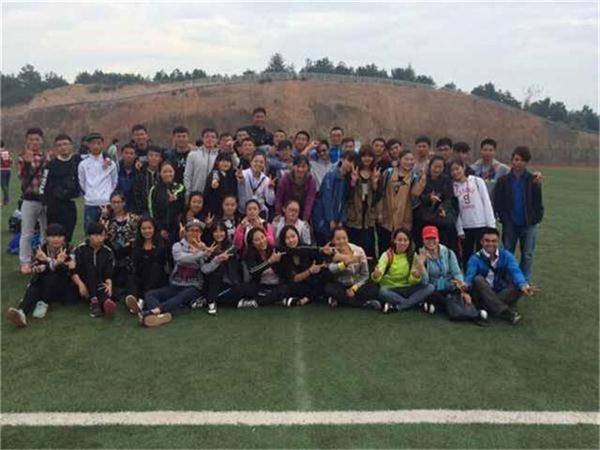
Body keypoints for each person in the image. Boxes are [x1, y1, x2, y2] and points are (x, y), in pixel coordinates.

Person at [128, 218, 212, 327]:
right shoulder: (178, 246)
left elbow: (205, 269)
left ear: (201, 233)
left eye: (197, 231)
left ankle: (150, 313)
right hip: (175, 284)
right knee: (150, 294)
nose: (194, 233)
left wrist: (216, 259)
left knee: (179, 298)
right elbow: (180, 259)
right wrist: (201, 253)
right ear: (186, 232)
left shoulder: (204, 248)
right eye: (191, 230)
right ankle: (163, 315)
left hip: (193, 286)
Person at [6, 224, 79, 328]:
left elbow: (71, 268)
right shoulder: (41, 249)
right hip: (44, 283)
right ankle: (22, 312)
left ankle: (42, 302)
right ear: (47, 237)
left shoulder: (70, 249)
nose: (56, 239)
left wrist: (48, 261)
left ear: (64, 238)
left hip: (64, 286)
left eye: (59, 236)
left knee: (52, 273)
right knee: (40, 279)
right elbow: (36, 268)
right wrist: (51, 263)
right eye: (52, 236)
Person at [464, 227, 536, 324]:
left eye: (494, 241)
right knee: (478, 279)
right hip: (482, 293)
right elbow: (469, 276)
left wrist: (523, 285)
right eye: (487, 241)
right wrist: (465, 285)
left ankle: (487, 307)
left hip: (501, 292)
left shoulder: (506, 255)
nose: (490, 244)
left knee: (517, 285)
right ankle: (506, 313)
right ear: (481, 242)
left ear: (498, 242)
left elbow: (516, 271)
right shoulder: (474, 259)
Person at [493, 146, 544, 281]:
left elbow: (538, 201)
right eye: (516, 159)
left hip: (528, 223)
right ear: (512, 160)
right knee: (507, 252)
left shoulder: (533, 180)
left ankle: (524, 281)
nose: (518, 163)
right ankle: (506, 280)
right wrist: (503, 217)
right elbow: (498, 201)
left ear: (526, 162)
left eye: (522, 160)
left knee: (527, 254)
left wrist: (536, 218)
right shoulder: (503, 181)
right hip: (510, 223)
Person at [419, 225, 485, 322]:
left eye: (433, 238)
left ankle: (441, 307)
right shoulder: (420, 256)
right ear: (423, 240)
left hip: (450, 285)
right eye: (427, 239)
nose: (431, 242)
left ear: (438, 239)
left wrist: (461, 286)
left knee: (467, 289)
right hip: (434, 288)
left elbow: (456, 272)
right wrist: (421, 265)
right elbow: (425, 282)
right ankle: (466, 311)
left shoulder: (448, 252)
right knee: (432, 291)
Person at [372, 228, 434, 313]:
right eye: (399, 240)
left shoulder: (413, 255)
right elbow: (377, 277)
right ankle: (416, 303)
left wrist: (417, 274)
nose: (402, 243)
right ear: (394, 241)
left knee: (430, 287)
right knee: (382, 291)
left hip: (408, 288)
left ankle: (399, 306)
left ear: (409, 242)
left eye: (405, 240)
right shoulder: (387, 255)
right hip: (391, 289)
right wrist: (376, 275)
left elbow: (414, 281)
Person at [450, 159, 496, 267]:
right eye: (452, 170)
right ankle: (469, 276)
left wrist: (491, 225)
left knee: (484, 254)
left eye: (457, 169)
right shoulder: (453, 187)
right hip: (466, 227)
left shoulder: (477, 181)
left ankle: (483, 276)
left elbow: (486, 202)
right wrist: (459, 229)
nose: (455, 172)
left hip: (481, 224)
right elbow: (456, 210)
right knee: (467, 256)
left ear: (463, 167)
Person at [323, 227, 380, 309]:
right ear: (332, 241)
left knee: (374, 289)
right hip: (341, 285)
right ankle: (363, 303)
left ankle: (340, 300)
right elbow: (332, 269)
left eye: (344, 238)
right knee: (328, 288)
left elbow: (365, 275)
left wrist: (354, 288)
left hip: (357, 285)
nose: (342, 241)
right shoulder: (331, 252)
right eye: (338, 239)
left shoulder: (359, 250)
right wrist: (346, 263)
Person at [18, 127, 49, 274]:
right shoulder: (22, 158)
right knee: (27, 233)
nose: (34, 142)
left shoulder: (47, 158)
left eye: (37, 139)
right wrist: (27, 163)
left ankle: (43, 258)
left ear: (42, 141)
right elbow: (22, 177)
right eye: (31, 139)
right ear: (26, 141)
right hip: (30, 200)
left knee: (46, 232)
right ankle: (25, 262)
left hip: (46, 200)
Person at [39, 134, 80, 243]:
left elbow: (97, 155)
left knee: (67, 237)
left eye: (65, 144)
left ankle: (65, 254)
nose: (63, 147)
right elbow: (43, 186)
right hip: (54, 206)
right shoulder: (50, 165)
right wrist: (46, 202)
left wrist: (107, 157)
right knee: (54, 237)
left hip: (70, 205)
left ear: (71, 146)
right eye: (59, 145)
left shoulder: (78, 161)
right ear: (56, 148)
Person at [377, 149, 421, 251]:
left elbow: (416, 198)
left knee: (402, 249)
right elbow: (381, 193)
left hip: (405, 218)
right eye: (406, 159)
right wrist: (379, 212)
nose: (409, 162)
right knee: (384, 247)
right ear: (400, 159)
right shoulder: (388, 173)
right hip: (387, 217)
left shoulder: (415, 178)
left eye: (411, 160)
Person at [236, 227, 291, 307]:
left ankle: (255, 302)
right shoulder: (250, 255)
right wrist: (269, 261)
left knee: (285, 289)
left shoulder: (275, 250)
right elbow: (253, 271)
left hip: (277, 286)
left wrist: (279, 262)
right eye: (257, 240)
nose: (262, 241)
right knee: (241, 288)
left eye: (263, 237)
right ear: (252, 243)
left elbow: (284, 273)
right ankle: (275, 300)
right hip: (260, 286)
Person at [278, 225, 332, 306]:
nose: (291, 240)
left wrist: (324, 252)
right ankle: (309, 298)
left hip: (309, 281)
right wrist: (310, 271)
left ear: (297, 236)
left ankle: (307, 298)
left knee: (325, 274)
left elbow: (317, 253)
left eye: (293, 236)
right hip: (295, 284)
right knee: (289, 287)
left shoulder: (305, 248)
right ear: (283, 240)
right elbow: (294, 279)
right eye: (287, 238)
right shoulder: (283, 255)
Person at [72, 223, 117, 319]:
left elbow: (108, 272)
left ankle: (99, 303)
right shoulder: (80, 249)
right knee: (91, 268)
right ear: (89, 236)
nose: (99, 238)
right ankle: (100, 301)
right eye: (96, 235)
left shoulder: (108, 252)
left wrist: (109, 285)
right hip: (82, 281)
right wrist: (80, 285)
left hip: (100, 281)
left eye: (102, 235)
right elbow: (73, 270)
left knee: (104, 288)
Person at [414, 155, 458, 252]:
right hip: (423, 217)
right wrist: (429, 198)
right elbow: (417, 196)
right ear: (430, 166)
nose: (437, 169)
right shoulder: (423, 178)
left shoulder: (447, 180)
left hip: (440, 218)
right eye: (435, 166)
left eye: (440, 167)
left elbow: (449, 198)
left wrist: (442, 207)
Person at [101, 191, 140, 300]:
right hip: (112, 252)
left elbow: (139, 235)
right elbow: (99, 236)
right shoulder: (107, 220)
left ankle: (132, 297)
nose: (116, 205)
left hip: (130, 252)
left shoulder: (134, 218)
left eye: (118, 202)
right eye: (113, 202)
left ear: (124, 203)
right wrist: (103, 218)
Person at [312, 152, 356, 246]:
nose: (351, 165)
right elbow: (326, 199)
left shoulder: (347, 180)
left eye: (354, 162)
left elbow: (345, 202)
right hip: (323, 219)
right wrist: (330, 219)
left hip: (337, 221)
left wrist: (341, 220)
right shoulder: (331, 176)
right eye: (349, 161)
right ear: (342, 159)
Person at [124, 217, 169, 310]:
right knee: (132, 276)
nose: (147, 231)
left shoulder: (162, 243)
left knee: (154, 268)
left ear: (154, 229)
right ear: (140, 230)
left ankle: (143, 300)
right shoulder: (136, 244)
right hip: (141, 275)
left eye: (149, 228)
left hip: (156, 278)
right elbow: (135, 263)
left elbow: (162, 262)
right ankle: (134, 300)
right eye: (143, 229)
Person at [78, 132, 118, 234]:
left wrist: (108, 195)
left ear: (103, 144)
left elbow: (114, 181)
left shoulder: (110, 163)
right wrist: (90, 194)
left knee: (109, 233)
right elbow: (82, 183)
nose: (96, 146)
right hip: (90, 203)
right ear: (88, 145)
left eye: (99, 143)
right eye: (93, 143)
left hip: (107, 203)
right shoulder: (83, 164)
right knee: (91, 234)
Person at [346, 145, 381, 258]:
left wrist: (375, 184)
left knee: (368, 246)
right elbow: (347, 196)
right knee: (353, 247)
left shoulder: (375, 173)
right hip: (354, 216)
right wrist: (352, 182)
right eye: (364, 156)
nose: (367, 159)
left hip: (368, 218)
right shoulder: (353, 172)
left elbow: (378, 197)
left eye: (370, 156)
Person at [200, 221, 243, 314]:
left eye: (221, 231)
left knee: (238, 293)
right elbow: (205, 269)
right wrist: (210, 256)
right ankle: (211, 301)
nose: (219, 234)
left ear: (225, 232)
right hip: (211, 282)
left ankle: (207, 299)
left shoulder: (231, 247)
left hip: (228, 282)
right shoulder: (207, 247)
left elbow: (233, 262)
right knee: (218, 269)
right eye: (216, 231)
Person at [149, 161, 186, 245]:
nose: (167, 174)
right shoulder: (154, 189)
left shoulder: (180, 187)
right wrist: (160, 229)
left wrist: (175, 197)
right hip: (160, 230)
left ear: (174, 172)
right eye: (164, 172)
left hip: (176, 229)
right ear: (160, 173)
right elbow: (152, 211)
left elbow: (181, 198)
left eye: (170, 171)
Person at [274, 155, 317, 222]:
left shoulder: (311, 181)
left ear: (308, 167)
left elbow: (310, 200)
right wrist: (278, 214)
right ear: (293, 166)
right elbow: (279, 198)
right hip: (286, 212)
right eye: (298, 166)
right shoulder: (285, 179)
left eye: (303, 167)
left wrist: (305, 219)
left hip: (303, 213)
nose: (300, 169)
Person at [236, 152, 275, 219]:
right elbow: (240, 188)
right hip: (243, 211)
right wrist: (241, 179)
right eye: (255, 161)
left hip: (259, 212)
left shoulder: (266, 180)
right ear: (251, 162)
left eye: (261, 162)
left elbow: (270, 202)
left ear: (264, 165)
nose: (258, 164)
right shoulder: (243, 174)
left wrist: (270, 189)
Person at [183, 128, 219, 196]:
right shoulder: (193, 154)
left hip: (214, 195)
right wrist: (188, 193)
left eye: (213, 137)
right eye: (207, 136)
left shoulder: (219, 156)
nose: (210, 139)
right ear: (202, 139)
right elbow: (187, 176)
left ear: (217, 140)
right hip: (196, 194)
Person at [132, 145, 162, 215]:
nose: (154, 158)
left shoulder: (162, 175)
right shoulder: (140, 175)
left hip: (160, 212)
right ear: (147, 158)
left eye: (156, 156)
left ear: (160, 159)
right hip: (144, 212)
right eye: (151, 155)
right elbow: (137, 194)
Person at [115, 143, 137, 211]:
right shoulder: (116, 169)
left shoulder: (139, 171)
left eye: (131, 153)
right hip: (118, 207)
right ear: (122, 154)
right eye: (126, 153)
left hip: (135, 207)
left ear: (135, 155)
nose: (129, 155)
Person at [0, 139, 12, 206]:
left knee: (3, 186)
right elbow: (11, 161)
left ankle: (7, 200)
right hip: (8, 170)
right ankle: (5, 201)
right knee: (6, 186)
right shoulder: (7, 152)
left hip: (2, 170)